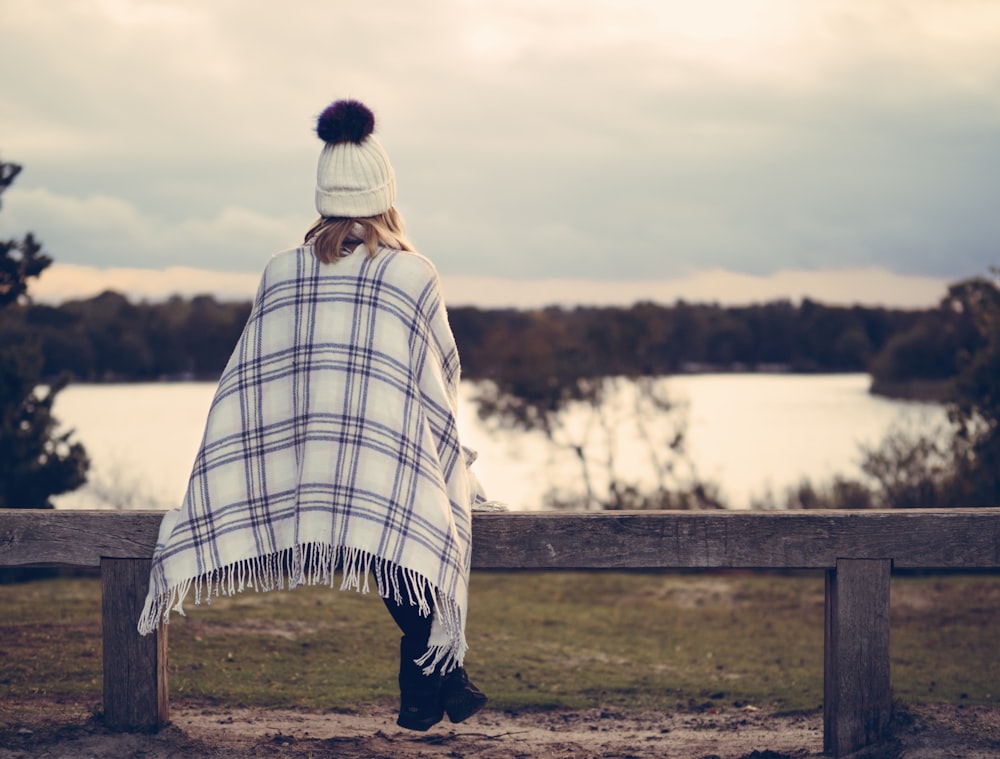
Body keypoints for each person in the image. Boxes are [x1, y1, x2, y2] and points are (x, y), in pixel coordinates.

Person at [138, 99, 488, 731]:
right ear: (384, 196)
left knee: (391, 517)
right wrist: (448, 463)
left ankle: (430, 682)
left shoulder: (283, 273)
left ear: (323, 199)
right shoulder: (411, 274)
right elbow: (444, 380)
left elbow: (254, 385)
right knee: (400, 516)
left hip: (305, 473)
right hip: (385, 464)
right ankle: (433, 677)